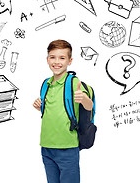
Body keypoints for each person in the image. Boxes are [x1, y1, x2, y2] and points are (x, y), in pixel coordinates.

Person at [33, 39, 93, 183]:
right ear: (47, 59)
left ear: (70, 61)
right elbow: (52, 110)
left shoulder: (73, 83)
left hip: (67, 147)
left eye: (62, 58)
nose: (56, 62)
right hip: (46, 146)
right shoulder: (46, 84)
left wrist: (83, 98)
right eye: (52, 57)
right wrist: (38, 106)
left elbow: (89, 106)